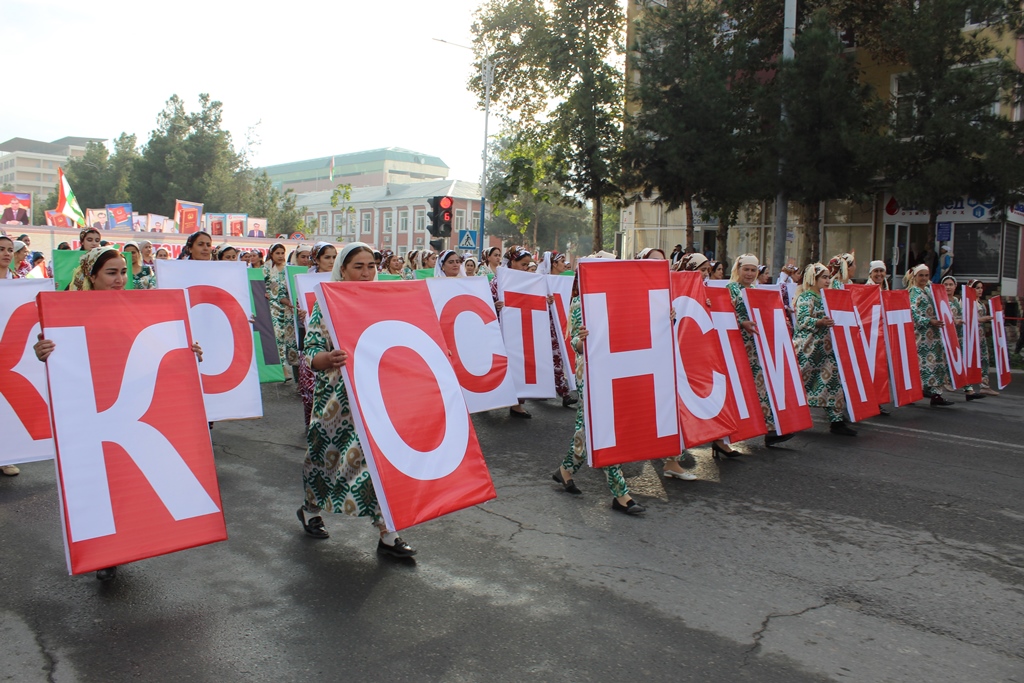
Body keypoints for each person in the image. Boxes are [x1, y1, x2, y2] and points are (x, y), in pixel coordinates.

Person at [34, 246, 204, 580]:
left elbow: (155, 354)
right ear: (91, 275)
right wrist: (42, 352)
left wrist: (187, 351)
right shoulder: (63, 314)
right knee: (97, 481)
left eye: (123, 271)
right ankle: (105, 553)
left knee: (125, 480)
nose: (120, 279)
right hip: (89, 411)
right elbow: (53, 356)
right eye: (111, 273)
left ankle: (122, 545)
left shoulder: (139, 308)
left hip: (127, 410)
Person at [297, 242, 417, 557]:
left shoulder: (386, 300)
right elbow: (311, 351)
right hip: (337, 399)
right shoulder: (326, 302)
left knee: (378, 461)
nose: (366, 273)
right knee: (326, 458)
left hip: (376, 395)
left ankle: (388, 531)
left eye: (370, 266)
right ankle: (311, 509)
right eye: (358, 267)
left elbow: (401, 339)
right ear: (343, 269)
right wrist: (327, 358)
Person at [553, 264, 648, 515]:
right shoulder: (580, 303)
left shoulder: (622, 300)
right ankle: (621, 494)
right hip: (590, 374)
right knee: (604, 428)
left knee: (587, 429)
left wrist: (665, 317)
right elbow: (575, 342)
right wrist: (583, 340)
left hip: (616, 370)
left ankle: (565, 470)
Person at [728, 254, 794, 446]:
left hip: (756, 348)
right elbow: (722, 315)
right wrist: (741, 323)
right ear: (738, 269)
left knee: (761, 387)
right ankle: (727, 433)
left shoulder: (756, 290)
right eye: (746, 269)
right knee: (739, 389)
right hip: (737, 346)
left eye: (753, 270)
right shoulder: (730, 289)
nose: (749, 274)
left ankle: (771, 429)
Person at [793, 263, 857, 435]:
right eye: (824, 277)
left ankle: (836, 421)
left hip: (827, 350)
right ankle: (789, 418)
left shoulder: (828, 296)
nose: (828, 281)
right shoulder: (806, 297)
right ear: (813, 278)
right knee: (799, 385)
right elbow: (802, 320)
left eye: (828, 277)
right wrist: (819, 322)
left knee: (833, 383)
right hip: (808, 350)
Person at [491, 246, 536, 418]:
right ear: (512, 262)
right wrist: (494, 306)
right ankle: (489, 399)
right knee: (500, 366)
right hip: (500, 332)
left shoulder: (529, 282)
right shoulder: (497, 282)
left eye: (527, 265)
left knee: (519, 365)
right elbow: (484, 304)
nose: (525, 268)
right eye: (523, 264)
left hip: (520, 329)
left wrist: (546, 300)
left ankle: (517, 404)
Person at [297, 242, 338, 427]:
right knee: (310, 391)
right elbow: (300, 310)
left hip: (335, 345)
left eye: (334, 257)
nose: (331, 261)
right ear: (316, 259)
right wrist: (301, 315)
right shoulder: (304, 282)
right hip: (314, 341)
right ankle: (312, 428)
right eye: (327, 257)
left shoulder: (340, 281)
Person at [905, 264, 954, 406]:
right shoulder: (913, 292)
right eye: (921, 275)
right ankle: (911, 394)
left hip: (934, 334)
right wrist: (928, 321)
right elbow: (912, 313)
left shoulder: (928, 290)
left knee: (936, 363)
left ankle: (936, 394)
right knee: (920, 365)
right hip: (921, 335)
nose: (924, 278)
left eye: (926, 275)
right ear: (915, 276)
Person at [941, 276, 983, 401]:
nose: (948, 287)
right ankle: (931, 390)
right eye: (946, 284)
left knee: (961, 364)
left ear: (955, 286)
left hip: (958, 337)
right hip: (944, 338)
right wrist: (954, 321)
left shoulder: (956, 301)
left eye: (950, 284)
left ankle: (969, 390)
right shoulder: (940, 301)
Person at [264, 243, 299, 379]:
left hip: (288, 308)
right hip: (272, 307)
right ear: (271, 254)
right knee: (278, 337)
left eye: (282, 253)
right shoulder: (266, 269)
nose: (280, 256)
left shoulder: (288, 269)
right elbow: (261, 285)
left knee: (290, 339)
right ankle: (282, 369)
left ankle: (295, 369)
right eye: (277, 253)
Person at [967, 279, 999, 396]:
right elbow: (966, 319)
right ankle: (966, 385)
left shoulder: (980, 303)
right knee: (969, 360)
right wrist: (981, 319)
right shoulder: (967, 303)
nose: (980, 290)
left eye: (981, 288)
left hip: (980, 335)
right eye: (977, 288)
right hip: (970, 335)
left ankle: (984, 385)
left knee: (984, 359)